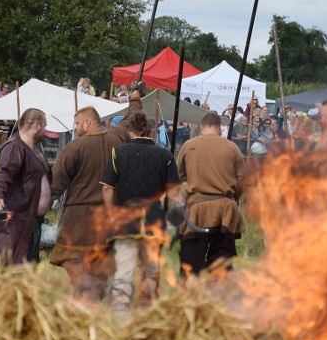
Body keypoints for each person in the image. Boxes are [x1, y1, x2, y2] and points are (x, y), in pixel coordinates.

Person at [49, 85, 144, 301]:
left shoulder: (76, 146)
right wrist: (136, 97)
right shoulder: (117, 138)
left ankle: (82, 304)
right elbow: (132, 117)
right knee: (99, 271)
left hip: (78, 220)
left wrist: (38, 207)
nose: (76, 128)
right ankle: (93, 311)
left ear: (87, 122)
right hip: (106, 220)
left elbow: (56, 184)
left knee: (75, 268)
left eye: (77, 123)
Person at [101, 111, 181, 316]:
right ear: (150, 131)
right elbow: (174, 193)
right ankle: (147, 315)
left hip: (126, 222)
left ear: (130, 131)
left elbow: (107, 189)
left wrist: (110, 215)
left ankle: (121, 317)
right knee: (151, 273)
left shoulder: (117, 153)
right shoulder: (165, 156)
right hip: (154, 223)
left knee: (124, 273)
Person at [176, 112, 246, 277]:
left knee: (191, 264)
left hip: (195, 209)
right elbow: (242, 181)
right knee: (221, 264)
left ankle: (189, 297)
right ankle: (218, 297)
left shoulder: (188, 145)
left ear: (201, 126)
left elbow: (181, 177)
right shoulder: (232, 147)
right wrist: (233, 200)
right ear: (219, 127)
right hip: (225, 210)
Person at [0, 108, 51, 265]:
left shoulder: (34, 148)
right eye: (45, 126)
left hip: (30, 220)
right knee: (12, 270)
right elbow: (3, 173)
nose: (46, 130)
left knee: (27, 270)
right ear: (36, 125)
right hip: (14, 220)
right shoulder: (15, 147)